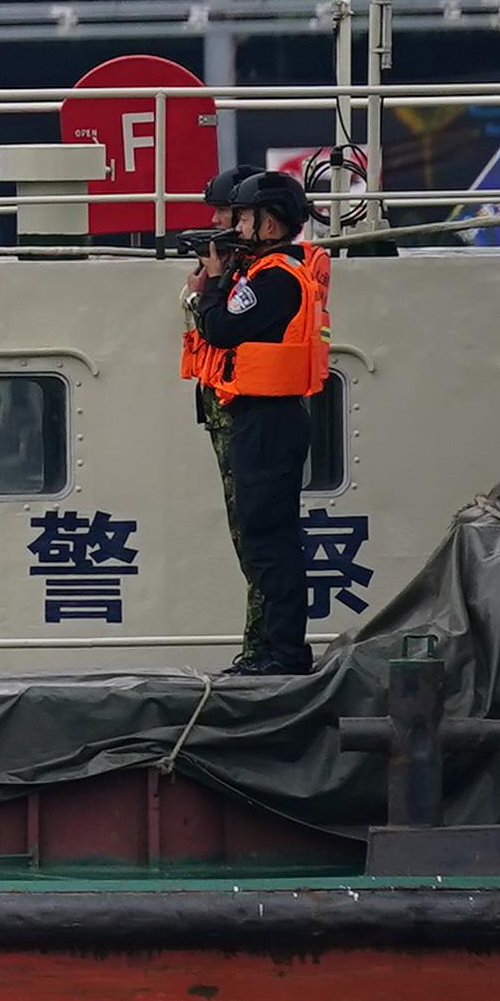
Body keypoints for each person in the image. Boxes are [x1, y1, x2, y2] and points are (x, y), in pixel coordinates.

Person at [187, 167, 334, 678]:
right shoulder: (270, 272)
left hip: (268, 421)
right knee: (264, 535)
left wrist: (208, 289)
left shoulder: (274, 278)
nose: (237, 226)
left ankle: (284, 653)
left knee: (269, 538)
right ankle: (273, 648)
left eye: (245, 217)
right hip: (263, 416)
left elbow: (223, 327)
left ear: (270, 224)